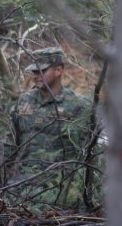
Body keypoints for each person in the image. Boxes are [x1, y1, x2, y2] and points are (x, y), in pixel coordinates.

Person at [6, 47, 97, 209]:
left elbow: (89, 154)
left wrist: (84, 192)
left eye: (42, 71)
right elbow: (9, 144)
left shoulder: (79, 106)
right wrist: (0, 180)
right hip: (24, 181)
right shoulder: (23, 102)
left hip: (61, 184)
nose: (36, 76)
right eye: (34, 72)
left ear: (58, 70)